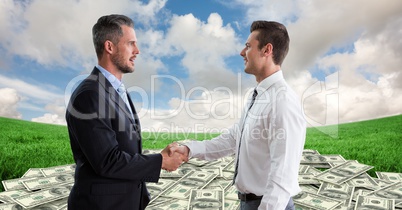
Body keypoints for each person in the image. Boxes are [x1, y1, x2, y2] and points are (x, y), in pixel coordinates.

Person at [170, 21, 306, 210]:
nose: (242, 52)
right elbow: (233, 138)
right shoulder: (256, 95)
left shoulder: (282, 102)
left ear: (267, 50)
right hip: (249, 203)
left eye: (248, 46)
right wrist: (189, 149)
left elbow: (283, 176)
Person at [65, 14, 184, 210]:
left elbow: (124, 148)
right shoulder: (89, 94)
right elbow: (107, 160)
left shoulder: (118, 91)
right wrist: (160, 161)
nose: (137, 51)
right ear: (109, 47)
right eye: (131, 44)